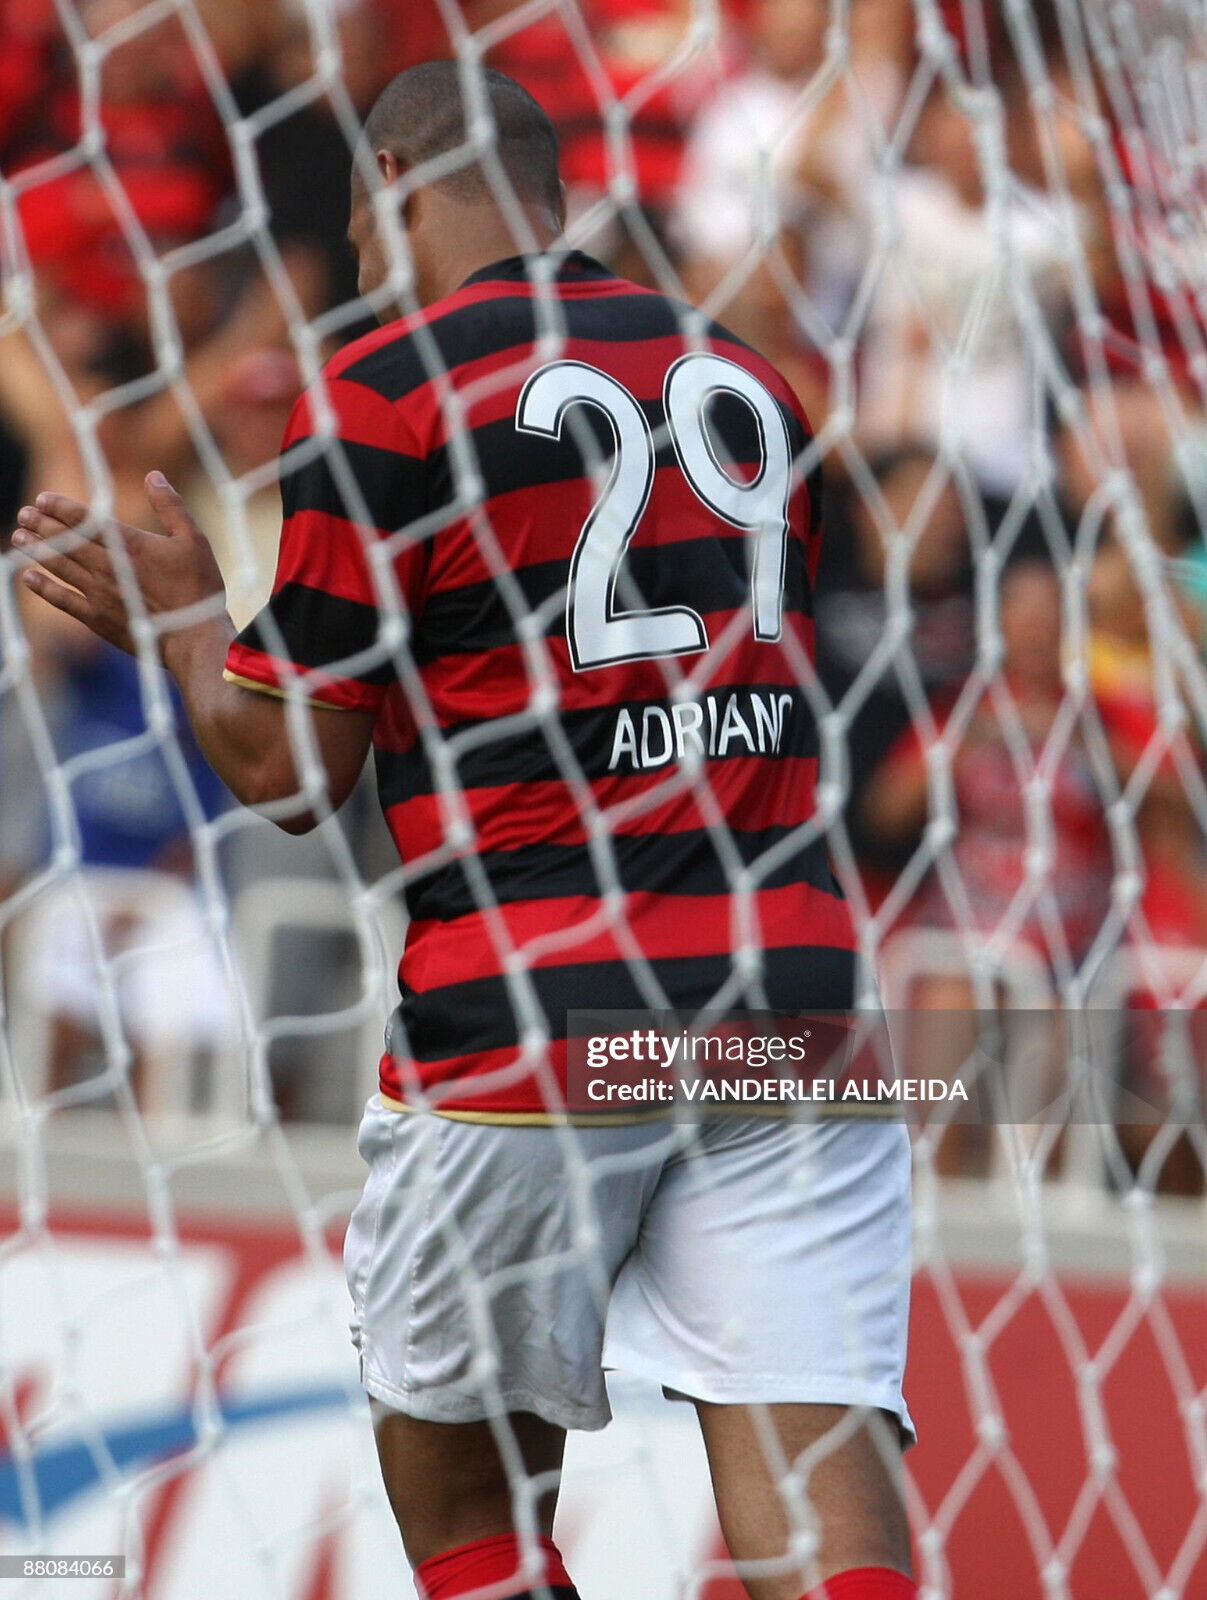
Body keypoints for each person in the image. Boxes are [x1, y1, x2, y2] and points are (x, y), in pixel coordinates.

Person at [11, 62, 916, 1600]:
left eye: (363, 225)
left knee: (455, 1477)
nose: (363, 257)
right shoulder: (744, 376)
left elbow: (295, 770)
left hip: (535, 1012)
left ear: (394, 185)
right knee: (830, 1523)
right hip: (790, 1009)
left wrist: (184, 625)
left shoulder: (385, 383)